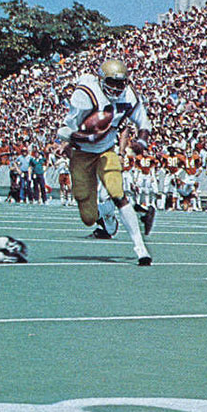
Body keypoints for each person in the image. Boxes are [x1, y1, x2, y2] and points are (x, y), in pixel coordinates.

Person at [57, 58, 154, 266]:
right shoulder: (86, 94)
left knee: (118, 191)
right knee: (88, 217)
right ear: (101, 80)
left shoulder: (129, 95)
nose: (118, 88)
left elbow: (144, 122)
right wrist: (86, 137)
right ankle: (108, 211)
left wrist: (142, 142)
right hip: (82, 153)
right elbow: (65, 130)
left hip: (106, 150)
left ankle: (140, 248)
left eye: (121, 83)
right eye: (113, 82)